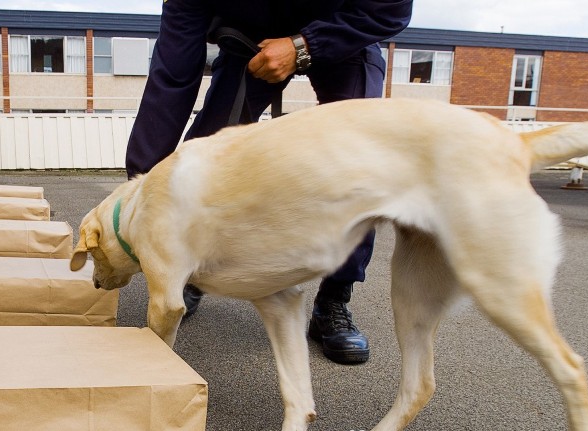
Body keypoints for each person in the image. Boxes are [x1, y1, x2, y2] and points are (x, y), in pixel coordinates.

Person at [125, 0, 414, 365]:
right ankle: (195, 270)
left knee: (360, 166)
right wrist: (143, 178)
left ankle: (335, 298)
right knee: (212, 150)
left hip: (344, 30)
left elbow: (389, 11)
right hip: (250, 42)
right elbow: (172, 74)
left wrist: (304, 46)